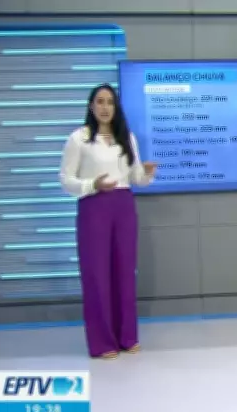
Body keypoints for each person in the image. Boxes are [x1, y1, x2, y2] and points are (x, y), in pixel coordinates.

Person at [59, 84, 158, 360]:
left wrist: (146, 173)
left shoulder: (126, 137)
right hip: (94, 207)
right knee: (97, 274)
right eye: (100, 102)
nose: (105, 107)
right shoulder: (79, 139)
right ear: (91, 106)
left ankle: (127, 337)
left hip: (124, 206)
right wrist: (93, 184)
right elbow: (65, 180)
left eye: (110, 102)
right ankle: (103, 342)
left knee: (125, 271)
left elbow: (135, 178)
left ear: (116, 107)